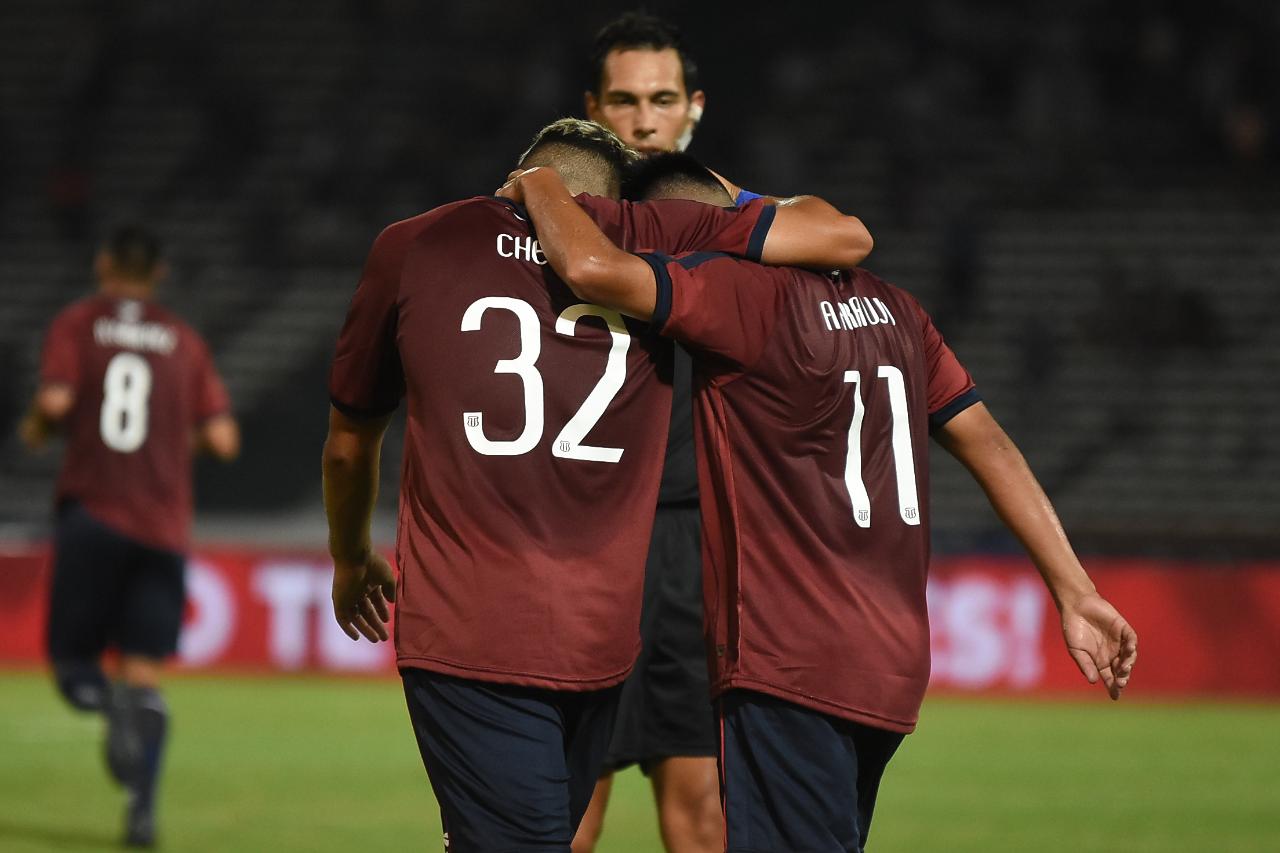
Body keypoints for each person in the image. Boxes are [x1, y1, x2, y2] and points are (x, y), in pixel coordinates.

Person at [501, 156, 1139, 853]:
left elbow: (592, 270)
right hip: (891, 666)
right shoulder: (898, 307)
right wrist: (1075, 591)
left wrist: (539, 184)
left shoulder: (739, 299)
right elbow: (990, 443)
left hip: (791, 659)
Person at [322, 118, 871, 852]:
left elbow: (350, 443)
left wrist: (351, 555)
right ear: (611, 204)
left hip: (468, 628)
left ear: (516, 178)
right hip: (602, 638)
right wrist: (714, 197)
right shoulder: (654, 236)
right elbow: (843, 237)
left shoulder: (416, 241)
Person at [577, 14, 753, 851]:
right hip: (581, 541)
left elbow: (850, 237)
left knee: (704, 812)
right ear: (592, 110)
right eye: (624, 100)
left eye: (661, 99)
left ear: (693, 108)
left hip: (692, 544)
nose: (643, 119)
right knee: (566, 816)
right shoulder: (546, 236)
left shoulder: (741, 235)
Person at [21, 225, 239, 848]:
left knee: (72, 667)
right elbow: (223, 439)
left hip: (94, 514)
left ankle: (103, 706)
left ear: (104, 263)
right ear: (159, 274)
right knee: (145, 674)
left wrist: (37, 425)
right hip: (164, 527)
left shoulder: (79, 323)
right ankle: (141, 812)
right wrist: (173, 443)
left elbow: (58, 401)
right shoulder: (184, 341)